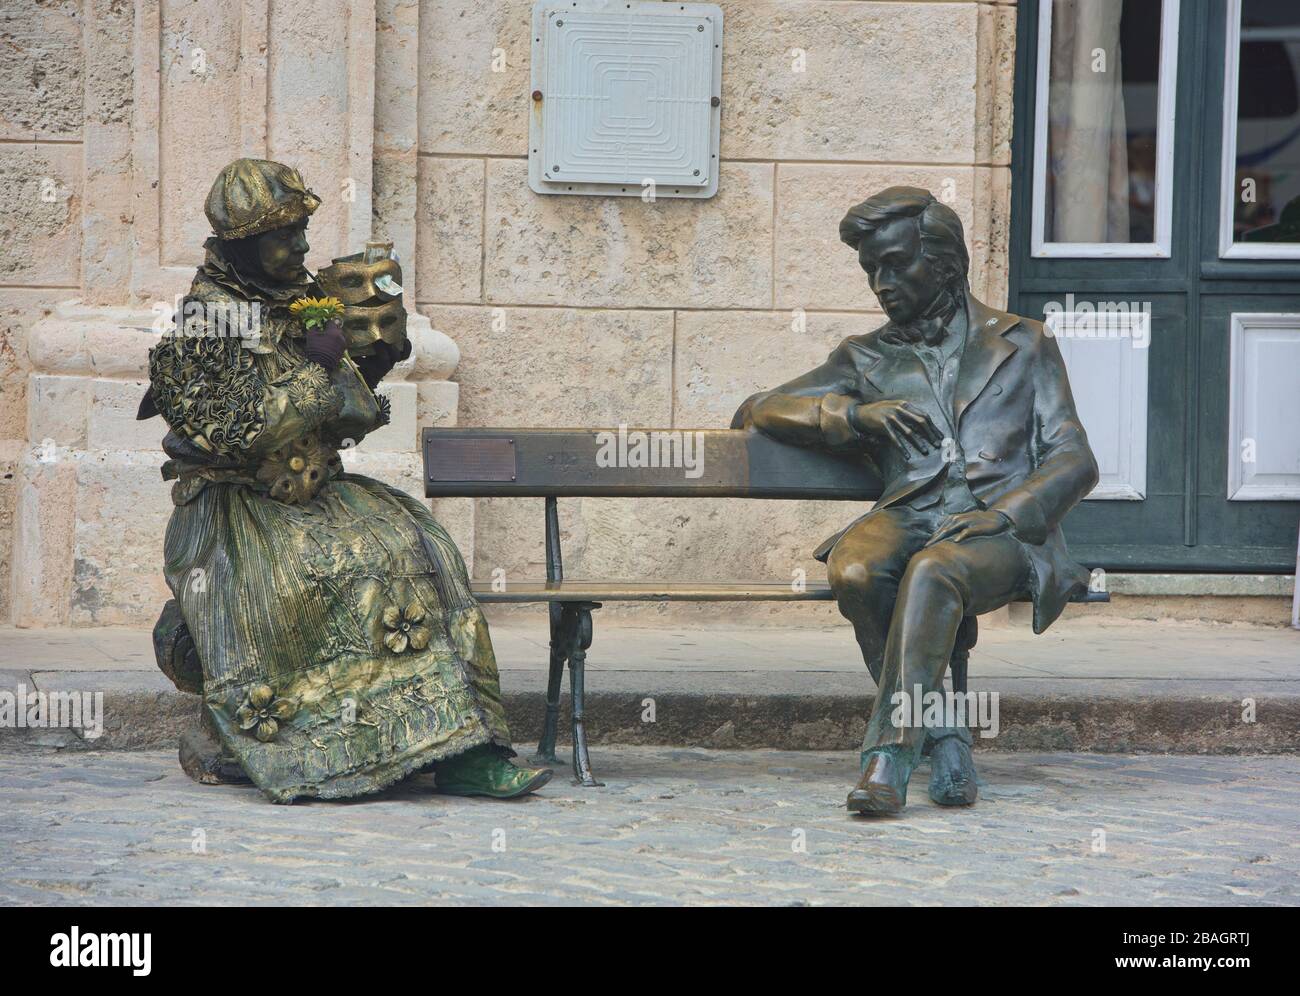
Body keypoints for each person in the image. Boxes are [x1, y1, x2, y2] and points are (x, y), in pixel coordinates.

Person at [140, 158, 552, 803]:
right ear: (242, 245)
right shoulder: (208, 320)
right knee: (334, 571)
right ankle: (327, 748)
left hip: (318, 492)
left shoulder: (302, 301)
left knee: (425, 552)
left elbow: (351, 419)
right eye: (285, 237)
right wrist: (312, 371)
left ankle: (467, 748)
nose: (302, 247)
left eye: (304, 231)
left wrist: (371, 353)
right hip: (236, 506)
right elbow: (239, 431)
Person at [734, 187, 1098, 815]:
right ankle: (949, 734)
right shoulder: (865, 355)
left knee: (933, 572)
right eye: (871, 269)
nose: (882, 282)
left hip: (1002, 528)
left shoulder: (1026, 342)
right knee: (856, 566)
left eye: (897, 264)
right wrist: (851, 415)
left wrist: (1007, 513)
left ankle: (890, 758)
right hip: (908, 514)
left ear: (946, 263)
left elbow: (1074, 457)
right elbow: (756, 410)